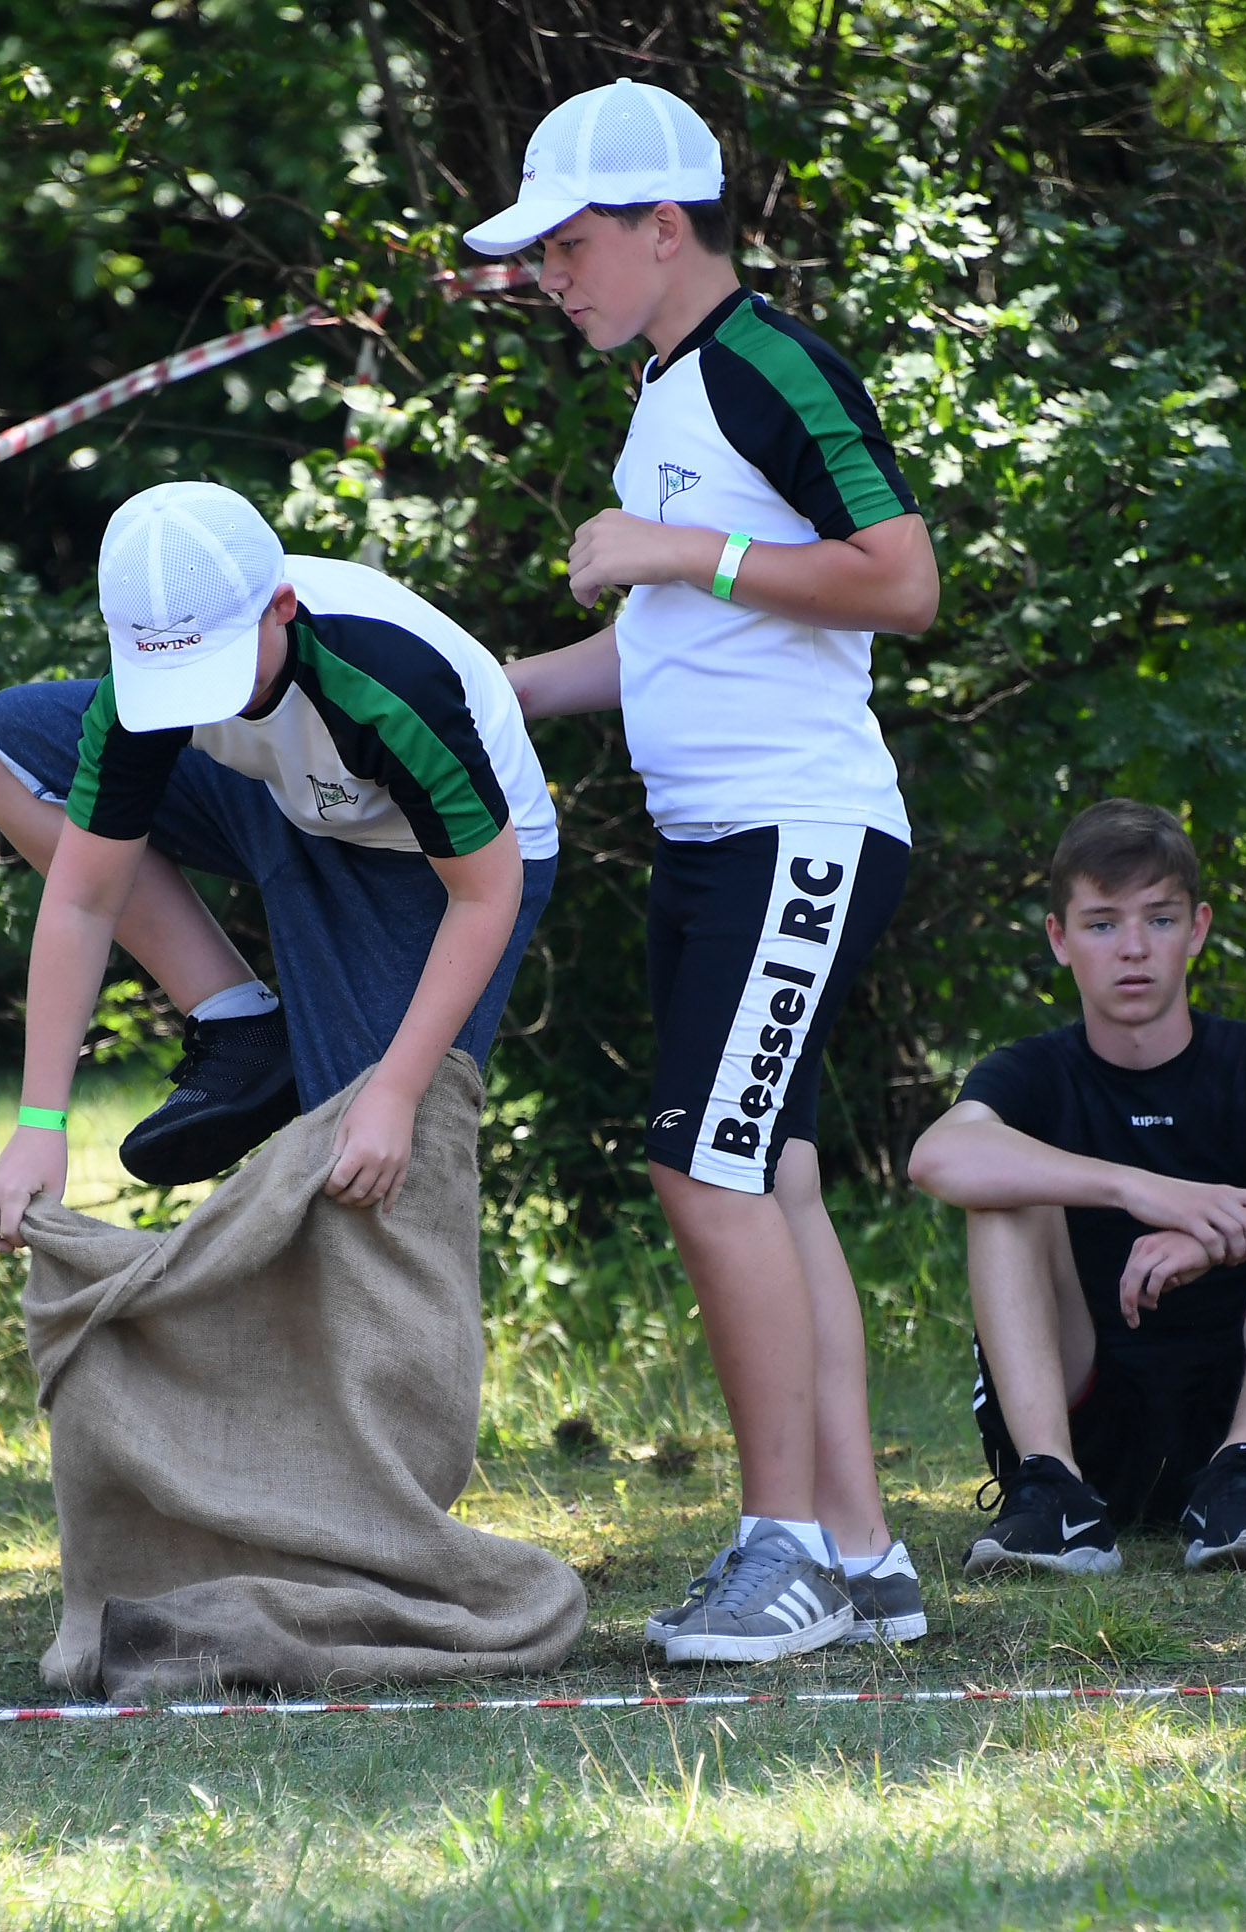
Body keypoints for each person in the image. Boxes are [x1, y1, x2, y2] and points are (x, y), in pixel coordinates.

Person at [466, 78, 942, 1662]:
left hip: (797, 831)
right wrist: (477, 690)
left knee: (706, 1171)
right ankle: (861, 1560)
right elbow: (669, 643)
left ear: (667, 228)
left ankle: (784, 1550)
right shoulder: (672, 384)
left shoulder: (770, 368)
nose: (549, 273)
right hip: (719, 840)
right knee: (773, 1171)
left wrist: (681, 550)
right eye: (536, 250)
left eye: (570, 242)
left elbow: (900, 580)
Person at [0, 479, 560, 1251]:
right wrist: (39, 1123)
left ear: (278, 607)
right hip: (284, 795)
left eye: (211, 674)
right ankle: (243, 1029)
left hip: (432, 864)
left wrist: (396, 1089)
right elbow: (85, 900)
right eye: (169, 682)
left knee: (361, 1163)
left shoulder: (387, 679)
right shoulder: (150, 684)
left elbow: (489, 892)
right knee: (4, 749)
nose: (194, 703)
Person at [907, 800, 1246, 1573]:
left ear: (1197, 930)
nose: (1133, 949)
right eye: (1101, 924)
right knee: (1002, 1181)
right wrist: (1137, 1188)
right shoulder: (1028, 1071)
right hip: (1089, 1419)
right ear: (1059, 939)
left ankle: (1236, 1474)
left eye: (1159, 920)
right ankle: (1053, 1495)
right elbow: (938, 1159)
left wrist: (1242, 1221)